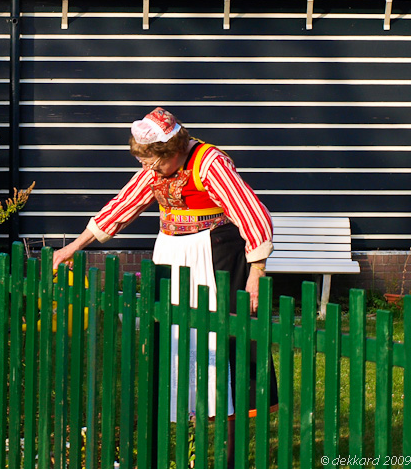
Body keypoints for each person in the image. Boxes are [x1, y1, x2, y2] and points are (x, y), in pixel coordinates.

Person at [53, 106, 277, 425]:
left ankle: (223, 411)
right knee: (174, 333)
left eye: (149, 161)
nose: (146, 168)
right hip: (171, 254)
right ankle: (182, 407)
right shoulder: (155, 169)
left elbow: (252, 213)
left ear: (171, 151)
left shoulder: (210, 164)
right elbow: (123, 205)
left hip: (213, 255)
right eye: (142, 162)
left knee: (218, 335)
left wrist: (257, 270)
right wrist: (74, 247)